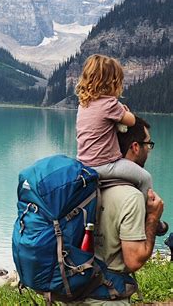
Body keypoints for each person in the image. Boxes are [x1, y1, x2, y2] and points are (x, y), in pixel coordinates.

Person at [66, 116, 164, 305]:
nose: (148, 150)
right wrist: (152, 218)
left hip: (75, 291)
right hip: (106, 297)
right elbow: (134, 260)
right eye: (148, 144)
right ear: (135, 147)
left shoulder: (83, 186)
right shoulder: (131, 197)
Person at [76, 54, 152, 198]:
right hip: (105, 165)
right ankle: (147, 214)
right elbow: (131, 121)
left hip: (84, 163)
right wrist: (124, 111)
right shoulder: (109, 104)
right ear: (113, 82)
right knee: (145, 177)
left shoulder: (83, 104)